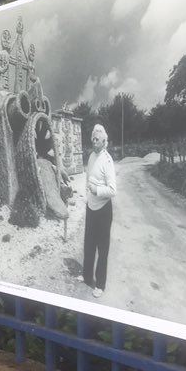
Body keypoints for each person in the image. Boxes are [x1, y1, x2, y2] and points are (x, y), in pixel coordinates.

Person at [83, 124, 116, 298]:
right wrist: (87, 196)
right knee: (88, 244)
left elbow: (112, 190)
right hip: (91, 206)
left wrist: (96, 191)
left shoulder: (107, 160)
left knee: (102, 248)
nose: (94, 141)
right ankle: (87, 276)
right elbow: (88, 179)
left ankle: (100, 284)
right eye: (93, 138)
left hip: (104, 210)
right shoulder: (90, 157)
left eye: (97, 138)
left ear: (104, 141)